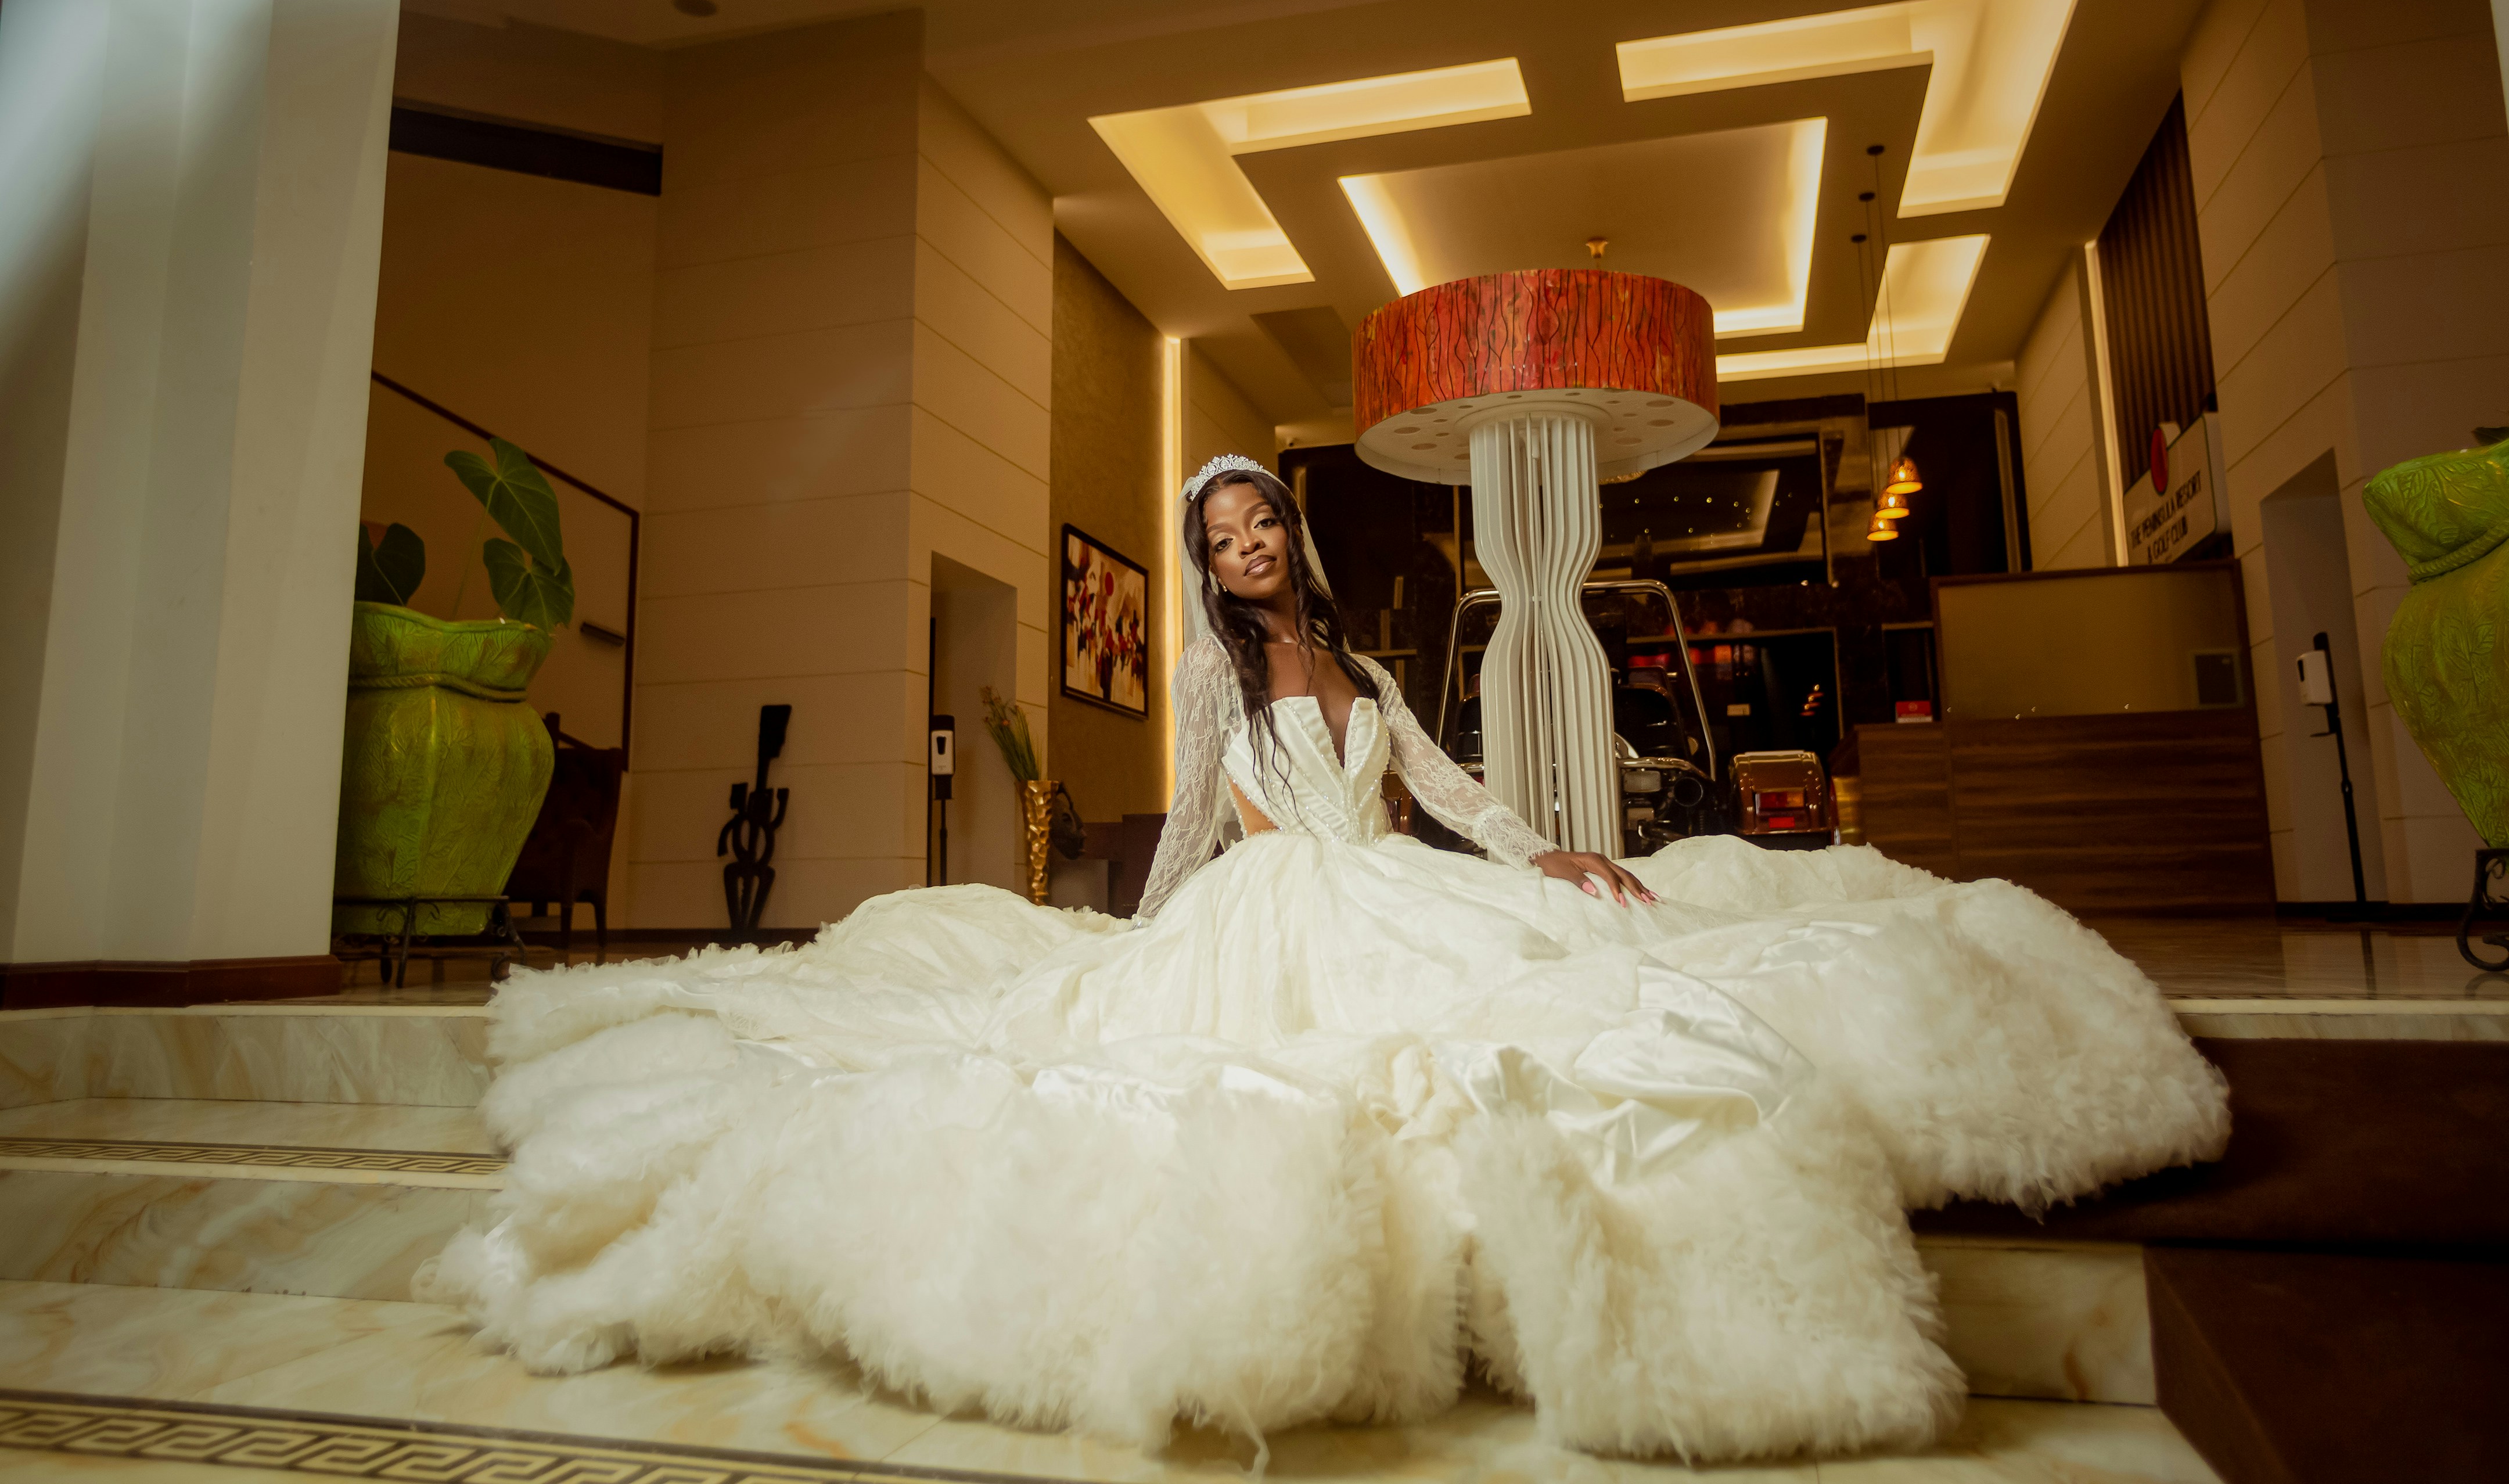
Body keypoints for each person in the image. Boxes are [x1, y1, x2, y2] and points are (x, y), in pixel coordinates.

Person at [425, 454, 2227, 1468]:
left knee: (1575, 962)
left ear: (1291, 533)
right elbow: (1205, 823)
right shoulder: (1216, 676)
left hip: (1399, 878)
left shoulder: (1358, 669)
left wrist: (1551, 849)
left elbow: (1444, 790)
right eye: (1216, 542)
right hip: (1278, 909)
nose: (1243, 552)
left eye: (1256, 527)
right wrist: (1128, 943)